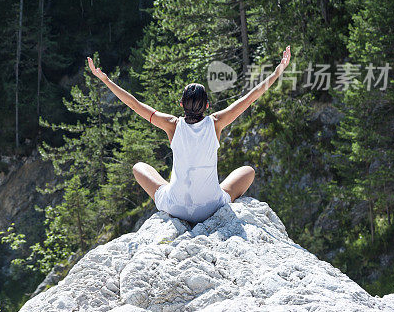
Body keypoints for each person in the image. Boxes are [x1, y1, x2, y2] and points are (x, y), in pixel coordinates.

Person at [86, 46, 291, 224]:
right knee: (248, 171)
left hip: (175, 207)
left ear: (181, 104)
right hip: (210, 208)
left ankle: (175, 190)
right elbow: (250, 98)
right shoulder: (216, 123)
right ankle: (205, 193)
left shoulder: (172, 125)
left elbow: (133, 104)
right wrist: (277, 71)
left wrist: (106, 80)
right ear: (208, 106)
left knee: (139, 168)